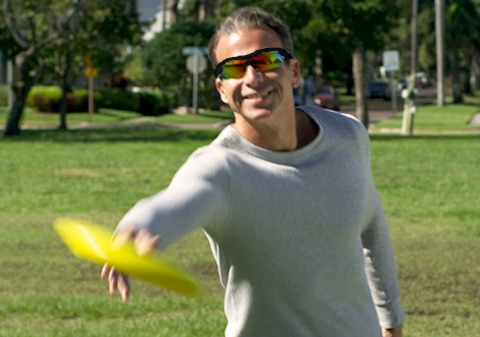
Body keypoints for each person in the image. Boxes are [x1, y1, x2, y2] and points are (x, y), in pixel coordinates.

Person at [101, 7, 405, 337]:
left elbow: (370, 223)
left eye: (267, 60)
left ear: (294, 71)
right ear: (220, 89)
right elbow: (178, 200)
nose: (252, 77)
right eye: (234, 68)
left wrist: (391, 320)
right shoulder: (219, 168)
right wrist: (140, 223)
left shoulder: (347, 134)